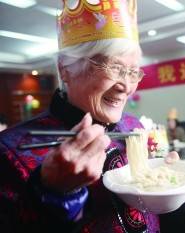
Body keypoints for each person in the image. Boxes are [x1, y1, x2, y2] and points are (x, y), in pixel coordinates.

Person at [0, 1, 160, 232]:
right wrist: (53, 192)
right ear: (65, 69)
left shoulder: (133, 126)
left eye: (134, 72)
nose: (126, 86)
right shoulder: (11, 150)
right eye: (113, 67)